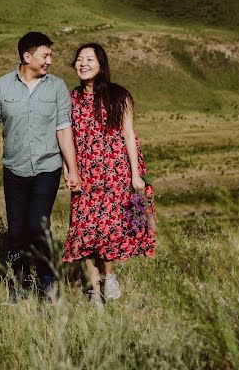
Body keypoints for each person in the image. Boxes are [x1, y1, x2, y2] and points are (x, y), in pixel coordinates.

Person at [0, 31, 81, 302]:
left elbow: (63, 130)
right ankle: (17, 284)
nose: (49, 60)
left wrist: (72, 168)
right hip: (14, 168)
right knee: (16, 230)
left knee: (38, 226)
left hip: (48, 167)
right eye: (45, 55)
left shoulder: (56, 87)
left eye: (50, 55)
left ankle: (49, 282)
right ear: (27, 56)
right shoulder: (1, 87)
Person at [63, 42, 156, 306]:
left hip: (115, 172)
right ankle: (94, 292)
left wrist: (135, 175)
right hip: (85, 176)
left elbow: (129, 135)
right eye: (79, 59)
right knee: (84, 232)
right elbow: (66, 136)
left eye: (89, 59)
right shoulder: (71, 99)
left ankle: (109, 276)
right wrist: (70, 170)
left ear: (101, 64)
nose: (83, 64)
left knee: (109, 230)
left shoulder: (119, 96)